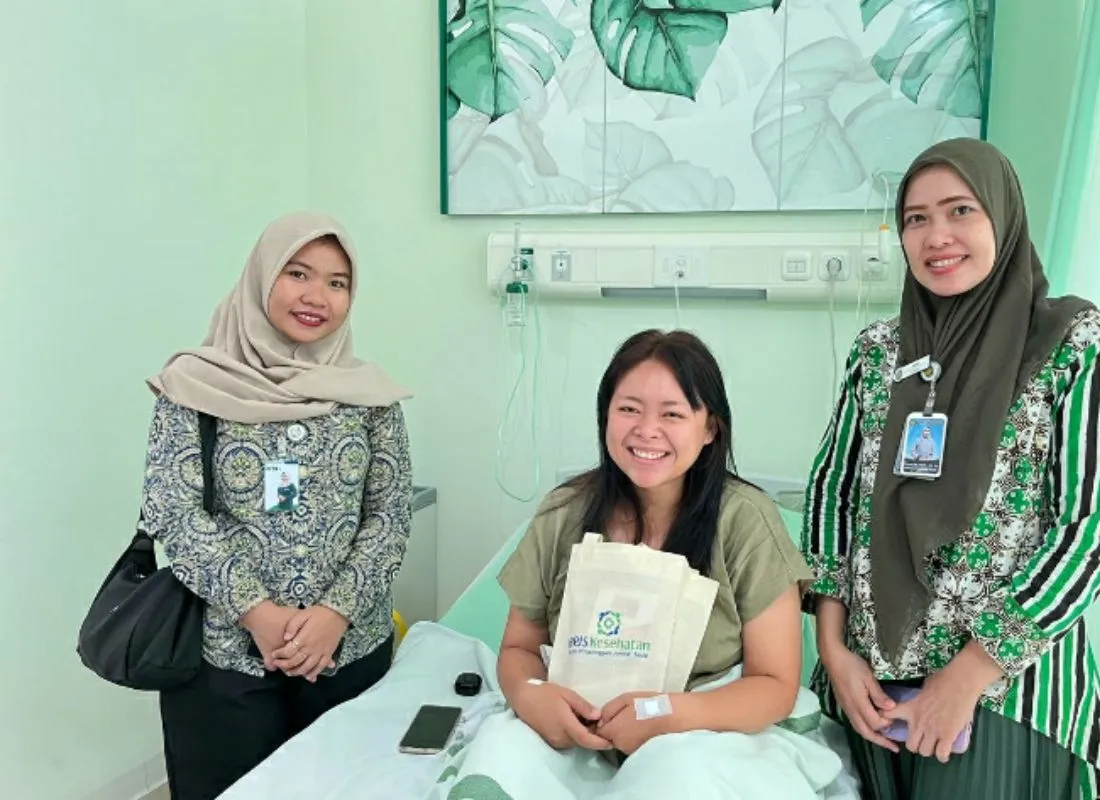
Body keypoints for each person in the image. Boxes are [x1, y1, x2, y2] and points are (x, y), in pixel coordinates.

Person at [801, 137, 1100, 800]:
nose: (937, 236)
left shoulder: (1077, 348)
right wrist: (833, 654)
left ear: (1003, 219)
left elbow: (1091, 531)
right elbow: (831, 500)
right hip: (868, 690)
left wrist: (969, 675)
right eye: (916, 218)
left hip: (1005, 693)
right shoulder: (879, 353)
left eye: (961, 210)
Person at [431, 330, 841, 799]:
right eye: (629, 409)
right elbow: (520, 648)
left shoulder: (746, 521)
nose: (647, 430)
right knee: (498, 760)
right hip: (571, 726)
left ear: (710, 428)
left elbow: (774, 685)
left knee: (678, 777)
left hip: (700, 729)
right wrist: (531, 694)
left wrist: (668, 714)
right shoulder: (563, 512)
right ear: (605, 415)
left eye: (672, 414)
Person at [141, 212, 414, 799]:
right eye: (298, 273)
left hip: (348, 652)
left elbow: (389, 516)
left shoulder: (370, 396)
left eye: (337, 282)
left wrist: (335, 613)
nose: (317, 296)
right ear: (262, 276)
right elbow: (174, 514)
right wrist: (258, 614)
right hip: (225, 658)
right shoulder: (193, 386)